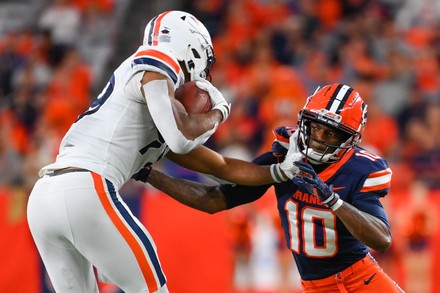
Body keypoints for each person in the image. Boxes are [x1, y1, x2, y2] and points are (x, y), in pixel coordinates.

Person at [26, 10, 299, 293]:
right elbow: (181, 138)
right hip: (86, 189)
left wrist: (278, 171)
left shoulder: (146, 116)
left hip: (44, 198)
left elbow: (223, 167)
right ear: (191, 47)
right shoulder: (157, 59)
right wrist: (219, 111)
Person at [145, 83, 405, 292]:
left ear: (348, 140)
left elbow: (381, 239)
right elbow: (214, 200)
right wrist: (149, 175)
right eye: (315, 127)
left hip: (362, 280)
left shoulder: (359, 169)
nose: (318, 139)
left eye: (331, 134)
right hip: (315, 287)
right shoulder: (285, 156)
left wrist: (331, 199)